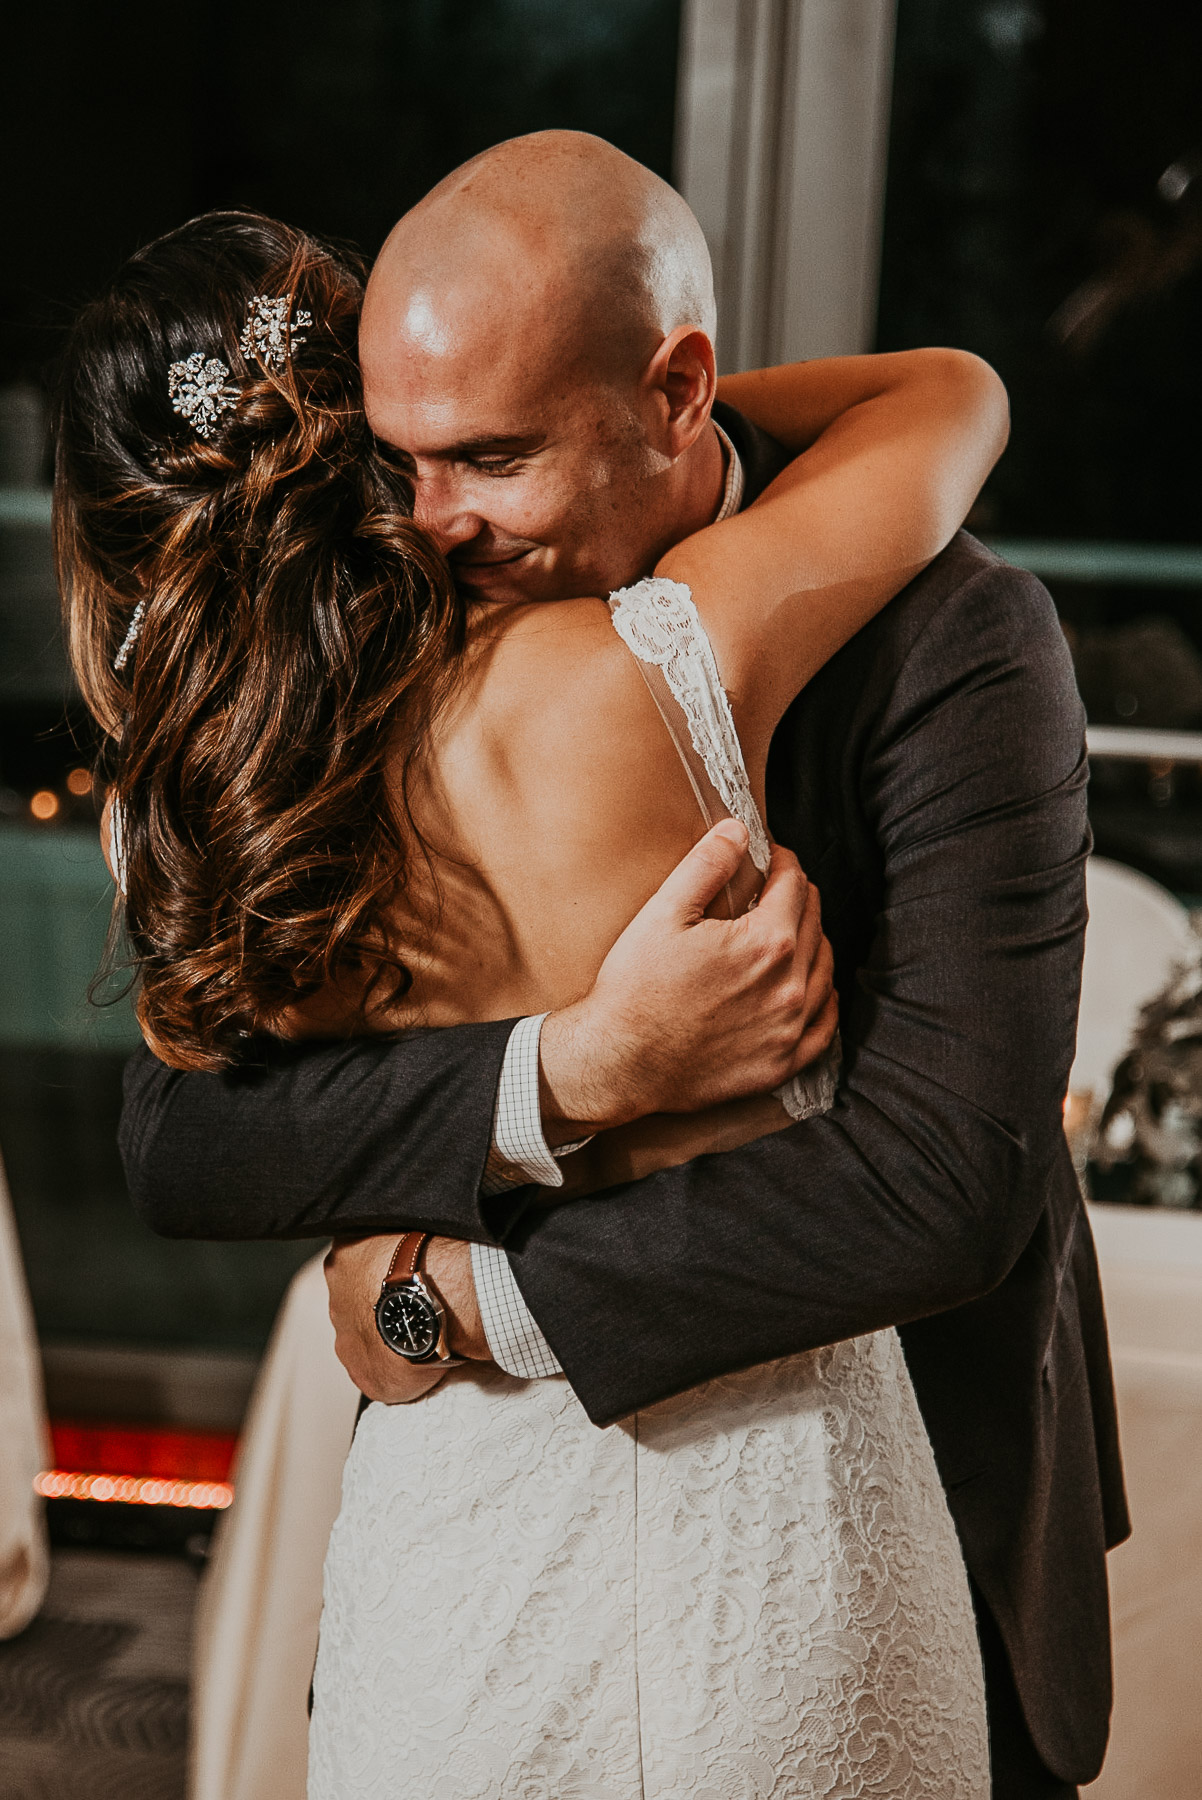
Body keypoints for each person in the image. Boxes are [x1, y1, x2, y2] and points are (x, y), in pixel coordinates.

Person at [71, 134, 1124, 1797]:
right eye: (399, 460)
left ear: (676, 390)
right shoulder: (389, 662)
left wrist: (457, 1302)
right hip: (496, 1529)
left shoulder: (953, 631)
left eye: (490, 452)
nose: (429, 526)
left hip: (886, 1476)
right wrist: (566, 1075)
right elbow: (187, 1132)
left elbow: (940, 1185)